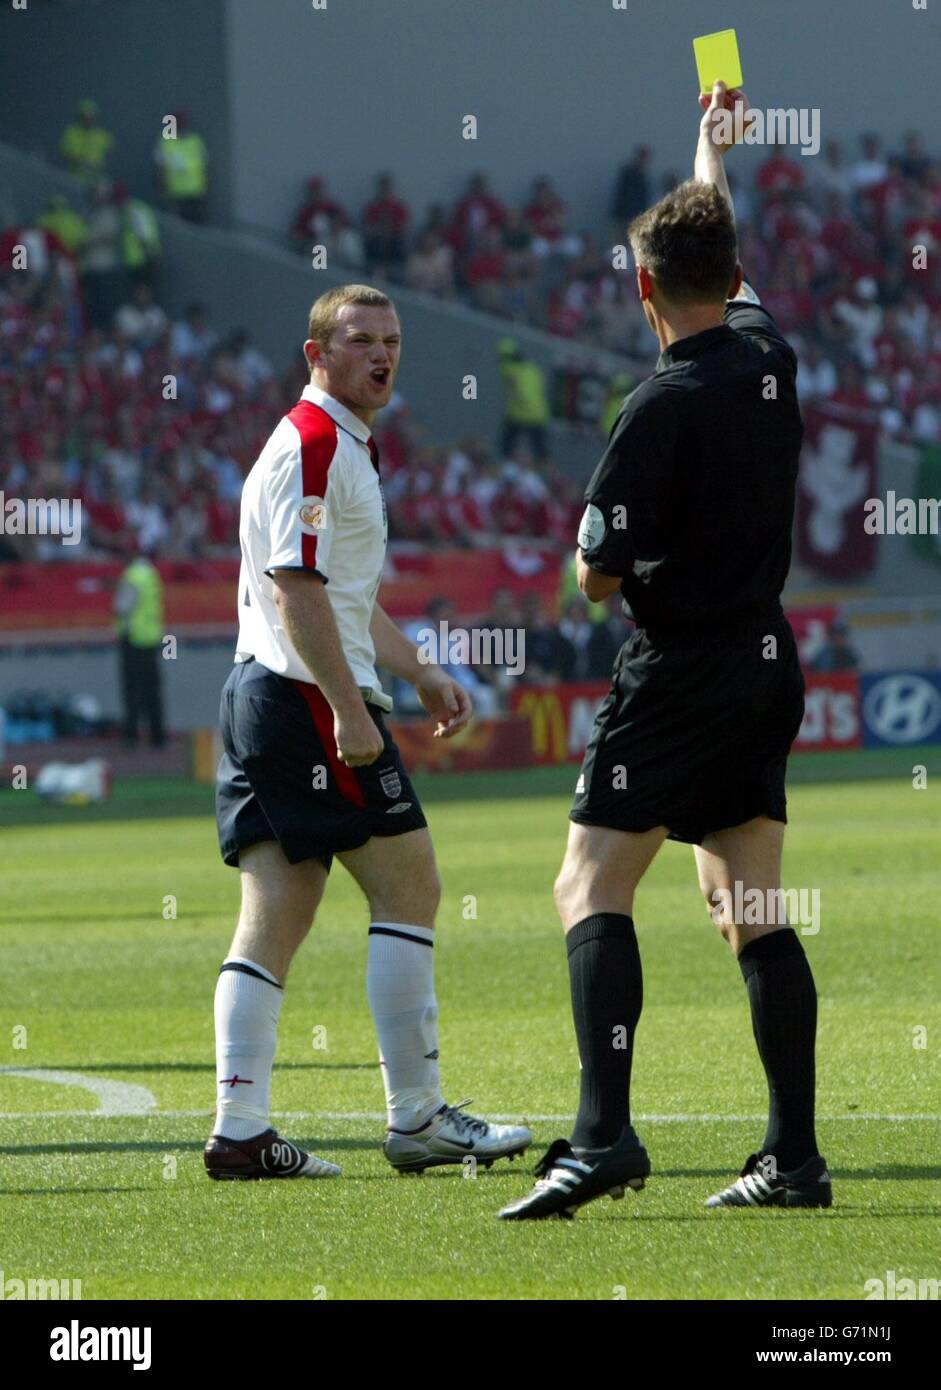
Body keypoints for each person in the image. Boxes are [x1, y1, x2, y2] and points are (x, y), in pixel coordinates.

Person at [501, 84, 827, 1220]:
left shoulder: (657, 405)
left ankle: (602, 1136)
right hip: (762, 658)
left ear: (640, 287)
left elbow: (592, 576)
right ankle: (792, 1155)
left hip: (679, 668)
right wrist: (711, 145)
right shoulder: (765, 353)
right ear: (726, 273)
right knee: (751, 907)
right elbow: (711, 233)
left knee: (586, 882)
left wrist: (609, 556)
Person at [207, 283, 532, 1181]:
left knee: (276, 912)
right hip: (307, 700)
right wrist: (353, 708)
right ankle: (417, 1117)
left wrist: (418, 668)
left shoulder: (335, 443)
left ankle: (240, 1131)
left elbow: (342, 595)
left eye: (390, 340)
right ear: (316, 354)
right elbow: (296, 589)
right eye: (358, 341)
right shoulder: (315, 446)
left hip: (265, 693)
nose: (380, 355)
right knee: (410, 888)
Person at [114, 547, 166, 748]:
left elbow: (122, 607)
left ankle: (131, 737)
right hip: (151, 639)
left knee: (132, 691)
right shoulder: (152, 574)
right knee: (153, 691)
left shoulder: (131, 576)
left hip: (133, 639)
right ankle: (157, 736)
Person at [154, 111, 208, 222]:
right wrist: (163, 190)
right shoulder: (166, 142)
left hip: (196, 193)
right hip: (175, 193)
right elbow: (160, 168)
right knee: (179, 226)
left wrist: (205, 187)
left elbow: (204, 167)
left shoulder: (195, 141)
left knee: (197, 223)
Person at [59, 99, 114, 183]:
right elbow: (65, 154)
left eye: (90, 116)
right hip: (72, 177)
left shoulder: (103, 136)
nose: (88, 119)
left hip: (95, 180)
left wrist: (100, 166)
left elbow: (111, 157)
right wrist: (82, 162)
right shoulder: (71, 131)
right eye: (85, 116)